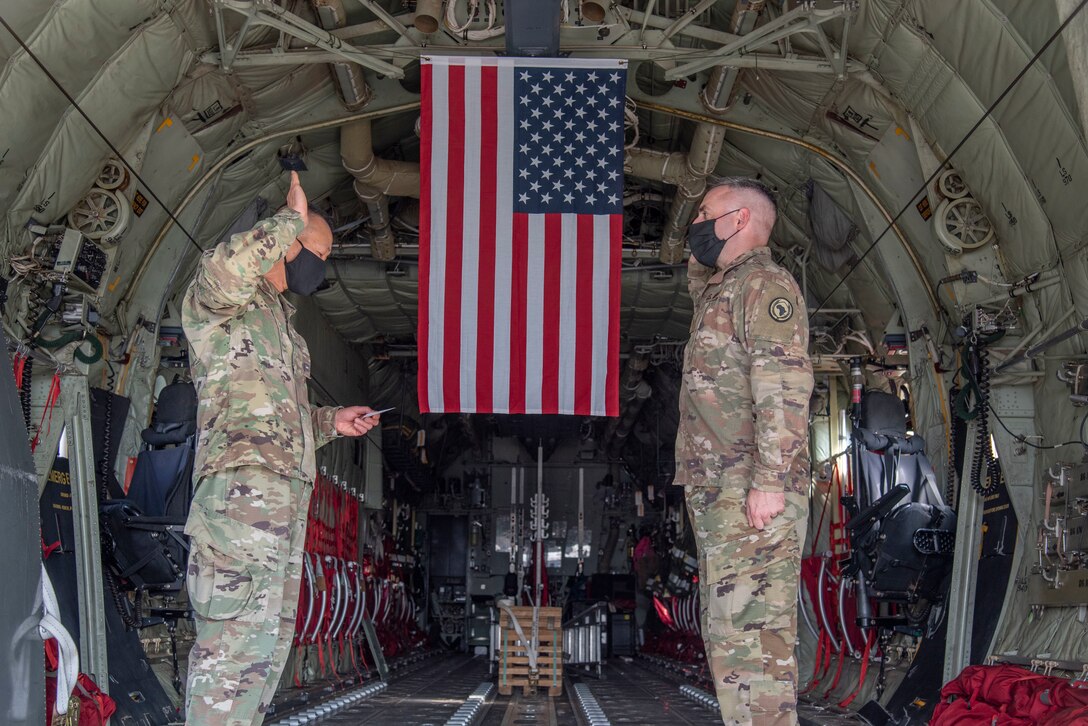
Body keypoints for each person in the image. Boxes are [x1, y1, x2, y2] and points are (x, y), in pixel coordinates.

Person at [182, 171, 381, 725]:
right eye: (315, 252)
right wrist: (289, 218)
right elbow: (225, 269)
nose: (318, 266)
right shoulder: (221, 302)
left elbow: (277, 420)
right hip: (237, 512)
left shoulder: (282, 327)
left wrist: (328, 423)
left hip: (281, 511)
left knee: (262, 657)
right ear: (286, 244)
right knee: (229, 655)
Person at [674, 177, 814, 725]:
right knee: (732, 638)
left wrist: (770, 481)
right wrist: (696, 251)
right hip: (721, 489)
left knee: (757, 643)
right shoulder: (724, 288)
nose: (695, 224)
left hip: (750, 488)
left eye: (705, 214)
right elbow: (698, 281)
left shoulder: (764, 285)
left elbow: (782, 384)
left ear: (736, 220)